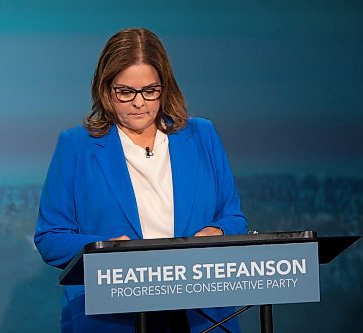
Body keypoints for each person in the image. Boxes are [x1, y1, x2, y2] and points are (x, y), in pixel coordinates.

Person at [34, 28, 248, 333]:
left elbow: (234, 218)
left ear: (165, 87)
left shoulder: (202, 136)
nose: (139, 102)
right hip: (113, 315)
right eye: (126, 91)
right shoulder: (76, 146)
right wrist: (102, 248)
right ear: (106, 90)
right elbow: (50, 238)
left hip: (201, 313)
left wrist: (217, 231)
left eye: (150, 90)